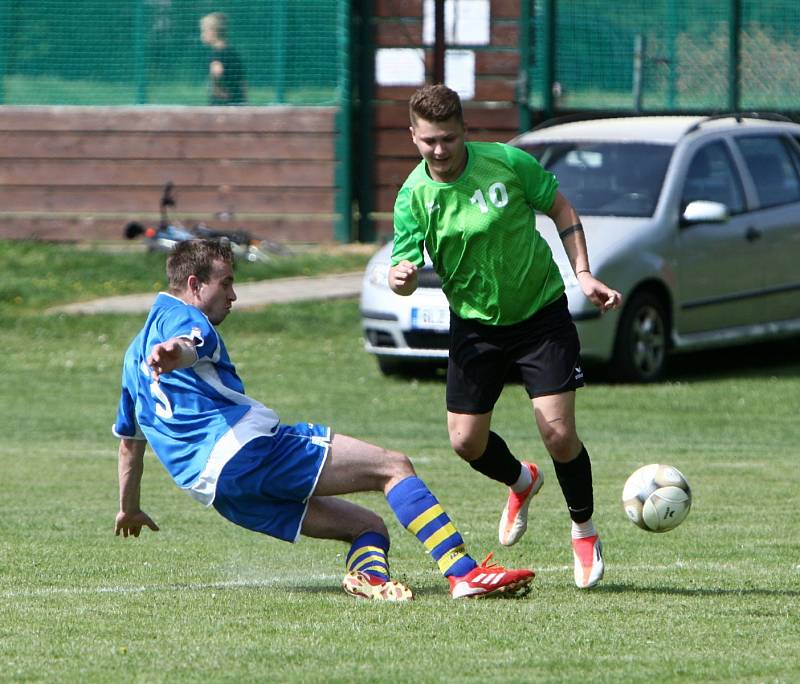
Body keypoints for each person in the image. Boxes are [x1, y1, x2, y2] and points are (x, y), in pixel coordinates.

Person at [113, 238, 534, 601]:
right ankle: (464, 573)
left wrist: (128, 509)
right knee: (394, 465)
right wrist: (177, 352)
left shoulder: (131, 360)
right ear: (193, 284)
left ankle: (370, 578)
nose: (233, 295)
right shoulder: (183, 318)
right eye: (226, 283)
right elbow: (190, 342)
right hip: (248, 453)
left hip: (218, 492)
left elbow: (129, 445)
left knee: (367, 527)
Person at [388, 84, 622, 589]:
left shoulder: (507, 164)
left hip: (541, 315)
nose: (439, 150)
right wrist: (401, 278)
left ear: (464, 130)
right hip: (475, 325)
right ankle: (522, 480)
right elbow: (399, 269)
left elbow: (562, 209)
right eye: (428, 140)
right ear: (413, 136)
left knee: (559, 434)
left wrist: (582, 273)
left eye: (448, 138)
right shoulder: (414, 197)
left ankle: (583, 529)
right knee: (464, 442)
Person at [200, 12, 247, 106]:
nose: (202, 35)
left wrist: (219, 90)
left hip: (221, 104)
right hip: (238, 102)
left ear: (213, 32)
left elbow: (217, 71)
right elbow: (243, 81)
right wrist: (246, 101)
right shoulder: (233, 52)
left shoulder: (216, 53)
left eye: (204, 31)